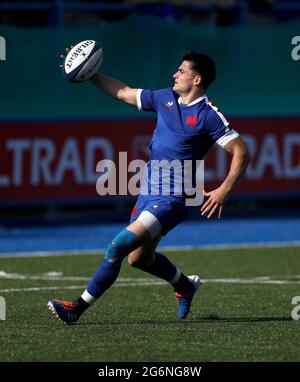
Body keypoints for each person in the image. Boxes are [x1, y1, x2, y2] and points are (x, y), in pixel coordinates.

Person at [47, 50, 250, 324]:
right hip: (148, 192)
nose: (175, 74)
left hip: (173, 200)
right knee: (139, 260)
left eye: (181, 71)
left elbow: (241, 151)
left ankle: (76, 309)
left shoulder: (208, 115)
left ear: (197, 79)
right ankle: (185, 286)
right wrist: (90, 73)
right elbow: (122, 92)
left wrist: (224, 189)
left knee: (116, 247)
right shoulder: (165, 97)